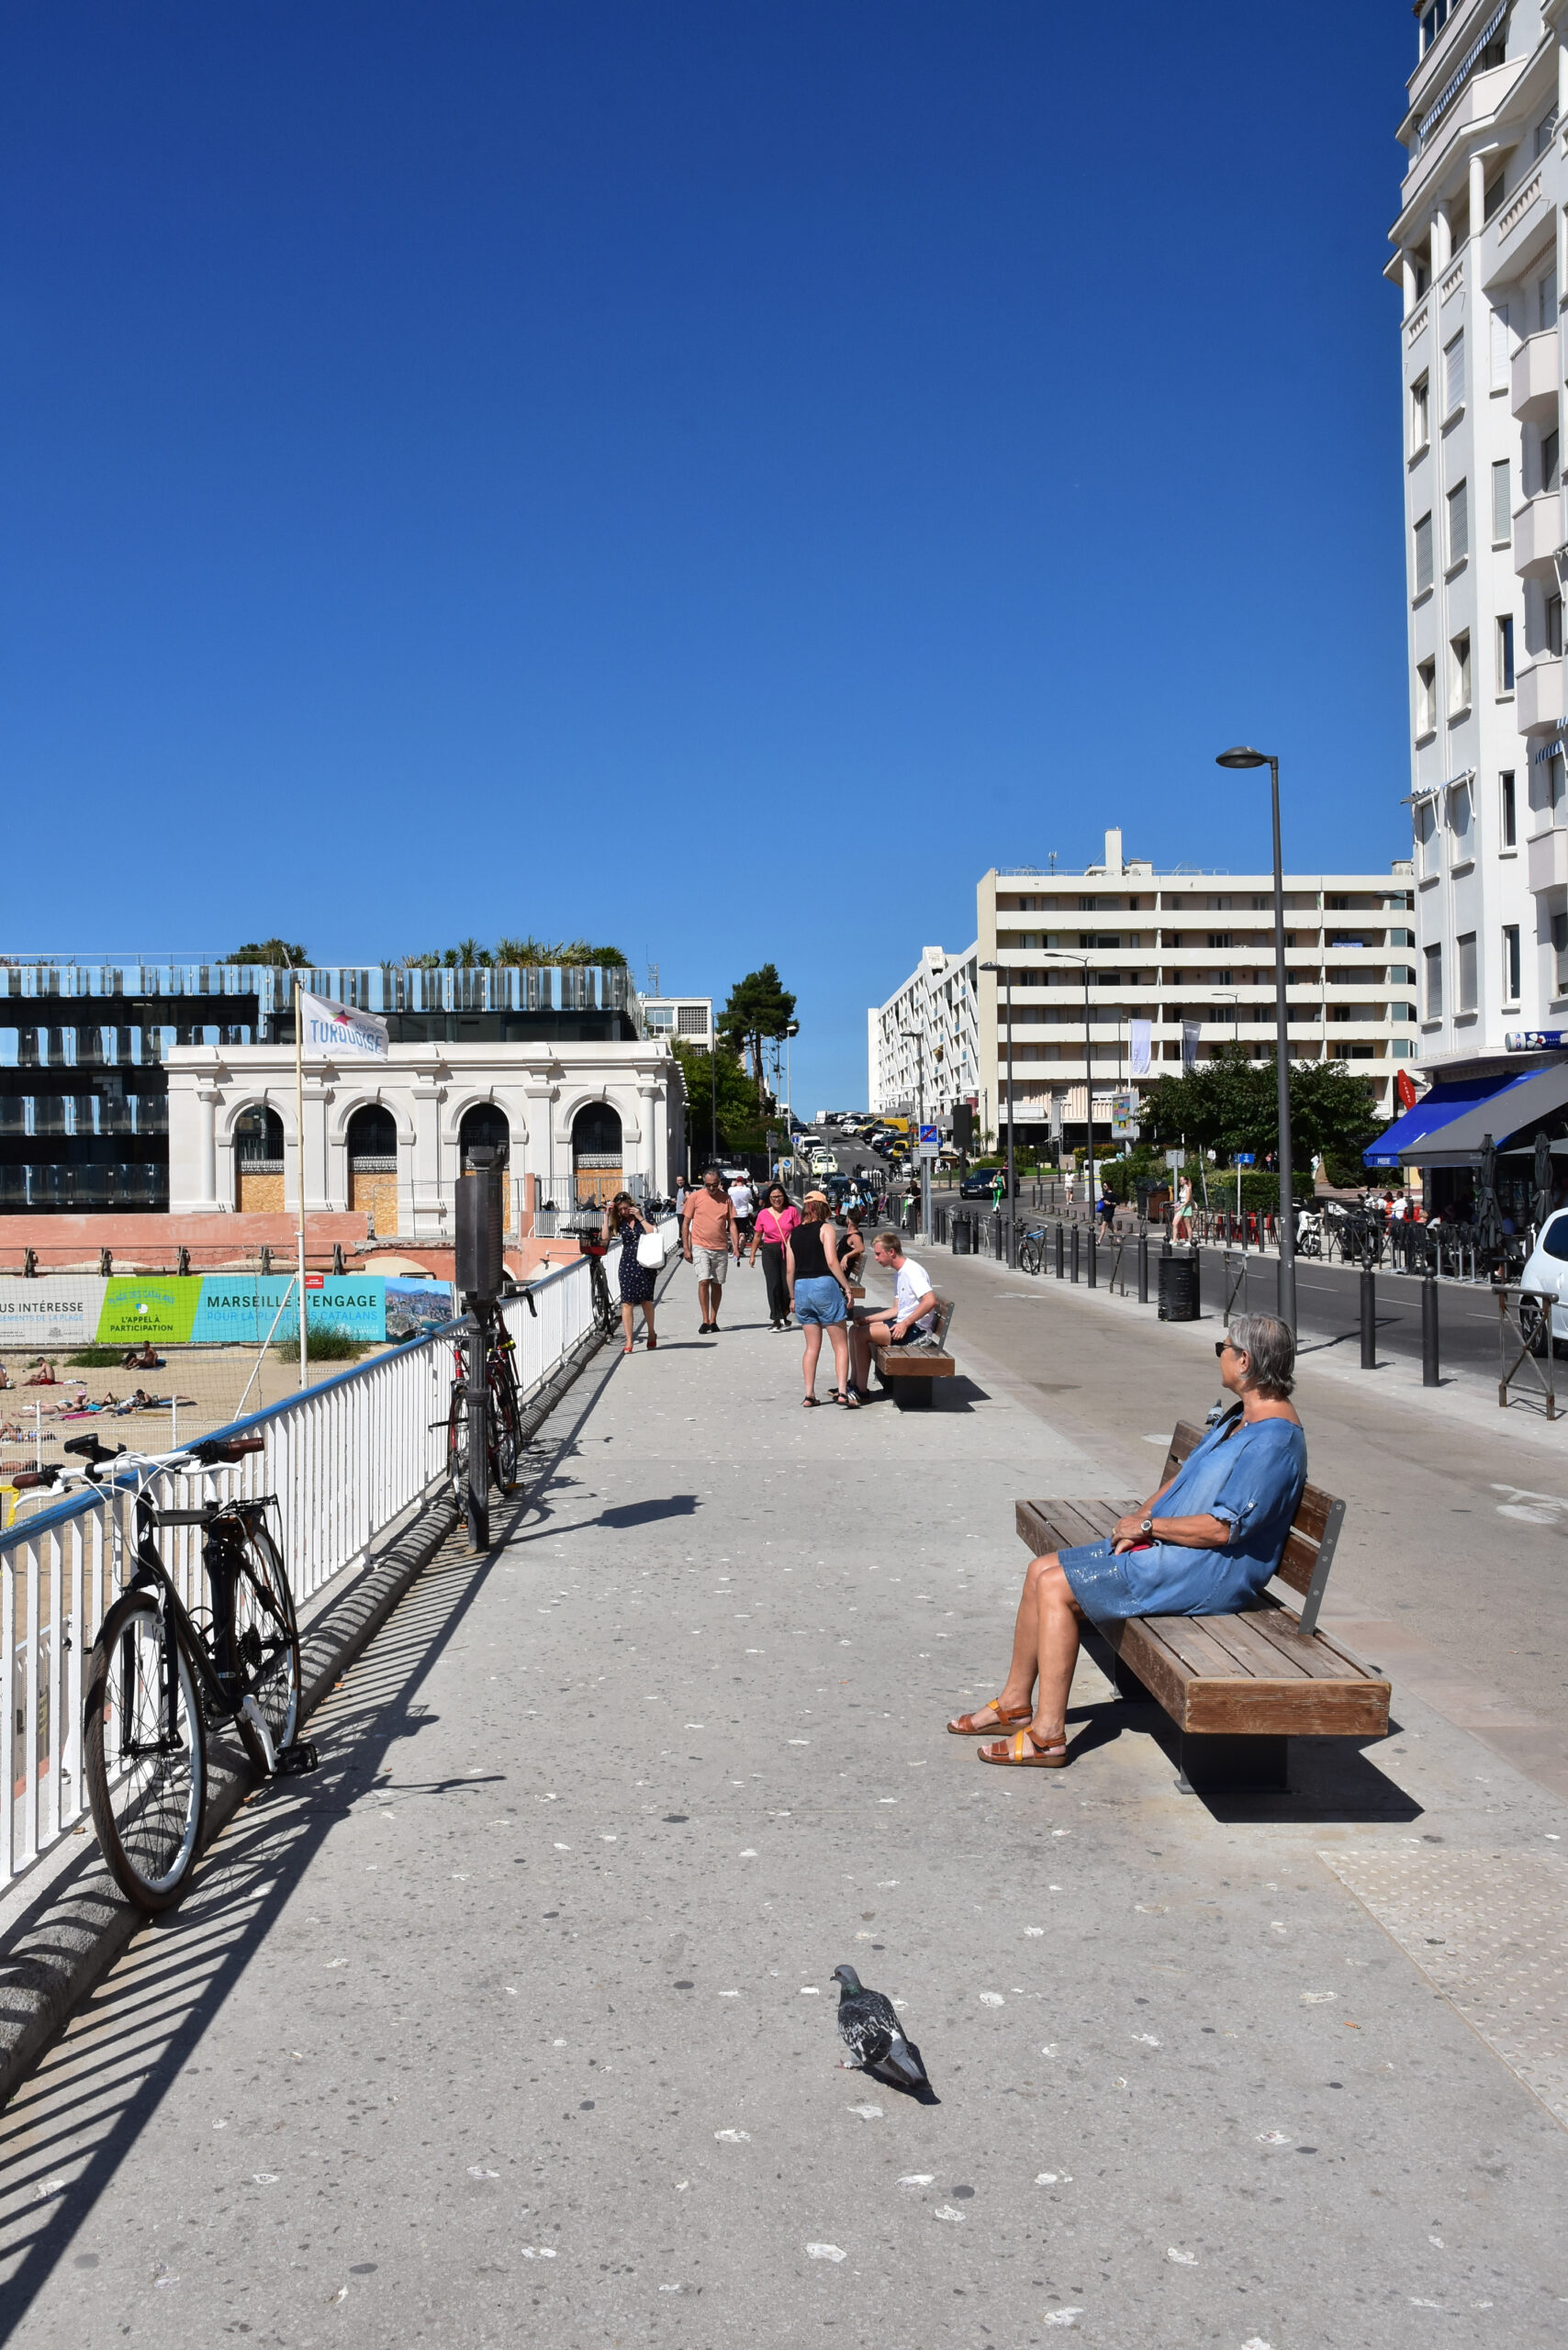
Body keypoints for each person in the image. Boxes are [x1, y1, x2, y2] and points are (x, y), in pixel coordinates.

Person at [946, 1314, 1305, 1766]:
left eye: (1224, 1348)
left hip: (1209, 1569)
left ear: (1245, 1362)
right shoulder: (1242, 1420)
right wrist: (1141, 1516)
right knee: (1041, 1570)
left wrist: (1149, 1529)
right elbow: (1182, 1482)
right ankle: (1016, 1703)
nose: (1220, 1355)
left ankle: (1047, 1737)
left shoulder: (1272, 1443)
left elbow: (1223, 1529)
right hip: (1177, 1548)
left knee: (1057, 1589)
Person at [846, 1230, 937, 1402]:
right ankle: (853, 1383)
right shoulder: (900, 1273)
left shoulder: (912, 1272)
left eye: (879, 1253)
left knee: (861, 1335)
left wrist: (905, 1323)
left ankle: (861, 1390)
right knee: (854, 1330)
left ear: (891, 1252)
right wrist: (868, 1319)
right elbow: (896, 1309)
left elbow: (930, 1300)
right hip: (905, 1326)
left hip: (917, 1332)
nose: (876, 1257)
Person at [787, 1192, 855, 1406]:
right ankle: (842, 1392)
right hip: (824, 1285)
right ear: (821, 1208)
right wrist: (847, 1288)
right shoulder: (826, 1229)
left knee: (811, 1347)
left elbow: (789, 1270)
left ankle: (809, 1395)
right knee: (840, 1345)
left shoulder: (793, 1234)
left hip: (802, 1288)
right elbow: (832, 1262)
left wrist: (792, 1297)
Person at [681, 1165, 741, 1334]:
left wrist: (736, 1247)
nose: (712, 1188)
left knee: (717, 1283)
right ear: (704, 1183)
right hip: (700, 1246)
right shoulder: (695, 1197)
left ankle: (714, 1320)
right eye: (708, 1185)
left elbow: (733, 1224)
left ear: (719, 1182)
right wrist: (687, 1248)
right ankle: (705, 1320)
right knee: (704, 1280)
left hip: (720, 1247)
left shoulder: (726, 1199)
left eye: (715, 1184)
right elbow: (685, 1224)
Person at [606, 1192, 660, 1354]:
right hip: (628, 1263)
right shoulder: (617, 1220)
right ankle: (629, 1340)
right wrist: (607, 1216)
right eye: (620, 1209)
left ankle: (651, 1332)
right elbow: (604, 1239)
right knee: (626, 1302)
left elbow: (653, 1232)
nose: (624, 1212)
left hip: (646, 1262)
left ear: (631, 1205)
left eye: (626, 1208)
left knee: (646, 1301)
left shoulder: (643, 1213)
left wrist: (640, 1218)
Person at [750, 1181, 801, 1329]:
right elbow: (758, 1236)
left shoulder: (792, 1211)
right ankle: (776, 1319)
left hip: (788, 1249)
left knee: (786, 1285)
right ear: (769, 1199)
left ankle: (784, 1311)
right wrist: (752, 1255)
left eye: (779, 1196)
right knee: (773, 1285)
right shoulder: (763, 1214)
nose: (776, 1199)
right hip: (769, 1250)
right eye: (773, 1197)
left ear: (784, 1197)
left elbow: (798, 1233)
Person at [727, 1171, 756, 1246]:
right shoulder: (747, 1190)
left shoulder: (731, 1189)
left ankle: (735, 1248)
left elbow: (728, 1197)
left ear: (736, 1181)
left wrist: (732, 1185)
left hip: (734, 1213)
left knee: (734, 1232)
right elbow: (750, 1199)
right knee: (742, 1232)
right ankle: (741, 1249)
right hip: (743, 1213)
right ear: (743, 1182)